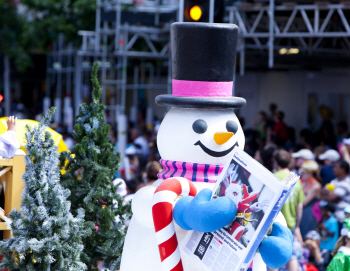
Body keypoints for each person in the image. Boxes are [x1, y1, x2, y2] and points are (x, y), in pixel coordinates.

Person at [274, 150, 305, 271]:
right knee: (292, 256)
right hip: (291, 225)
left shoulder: (274, 177)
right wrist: (297, 225)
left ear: (276, 162)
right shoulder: (296, 180)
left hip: (275, 224)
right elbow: (300, 206)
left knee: (274, 254)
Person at [320, 160, 350, 225]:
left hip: (344, 219)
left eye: (336, 167)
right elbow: (322, 192)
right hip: (334, 217)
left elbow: (332, 198)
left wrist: (329, 194)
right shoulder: (335, 181)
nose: (334, 169)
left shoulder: (347, 182)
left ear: (342, 169)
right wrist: (330, 194)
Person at [299, 160, 321, 239]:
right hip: (301, 211)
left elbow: (304, 202)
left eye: (304, 172)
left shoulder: (316, 185)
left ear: (310, 173)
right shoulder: (303, 182)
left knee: (306, 234)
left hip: (309, 213)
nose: (302, 174)